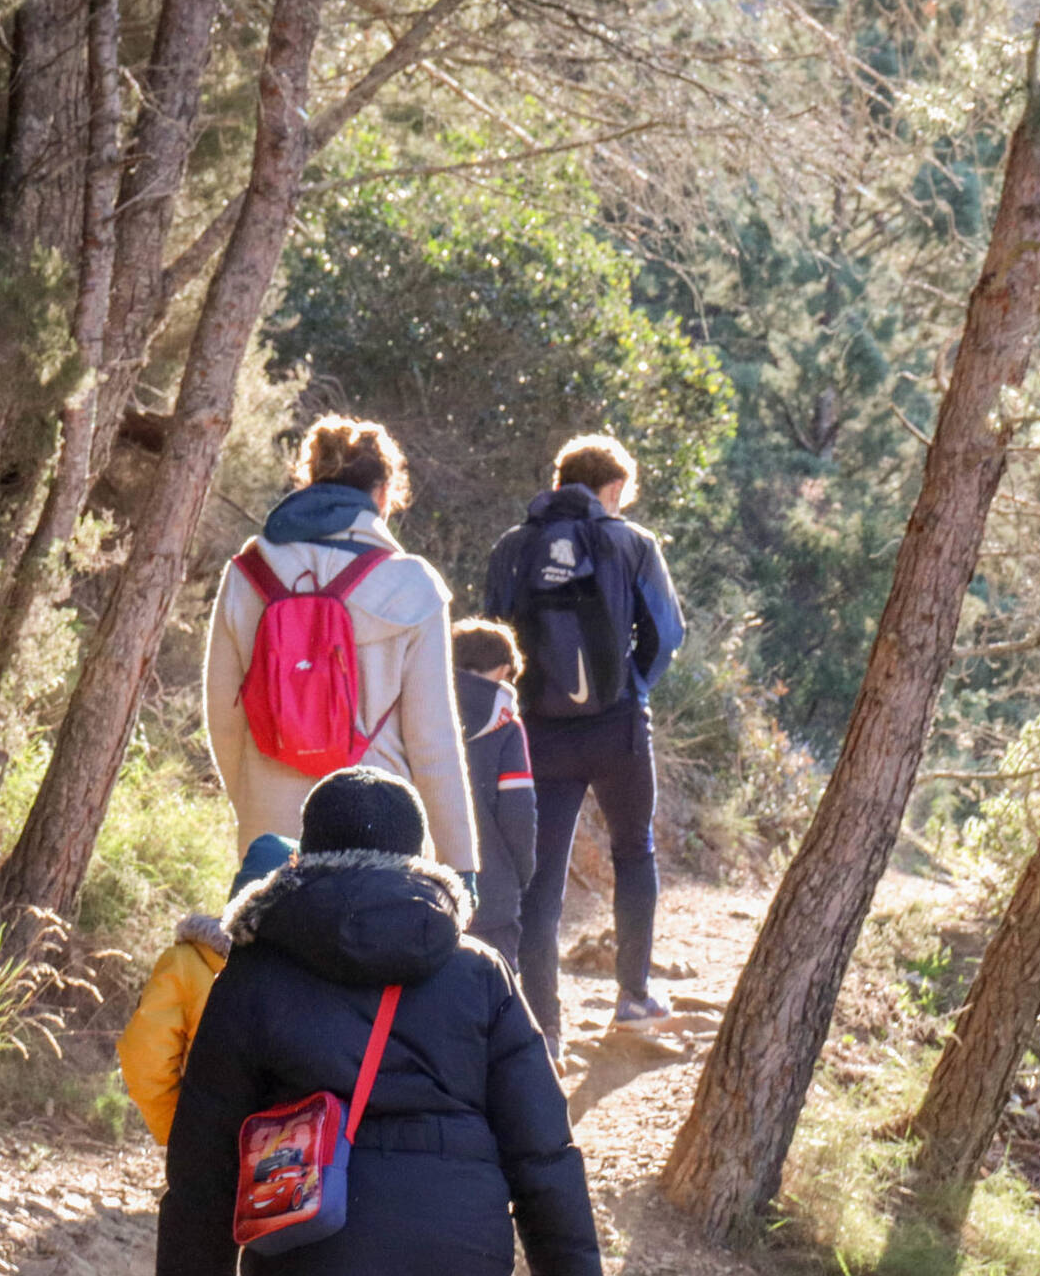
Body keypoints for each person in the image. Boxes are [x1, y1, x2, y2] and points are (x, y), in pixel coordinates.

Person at [156, 767, 605, 1276]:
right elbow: (544, 1147)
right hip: (456, 1255)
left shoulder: (254, 976)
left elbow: (200, 1171)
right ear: (418, 858)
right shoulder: (478, 973)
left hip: (320, 1255)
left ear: (306, 856)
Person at [114, 832, 304, 1276]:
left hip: (217, 1156)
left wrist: (180, 1133)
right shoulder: (308, 974)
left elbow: (144, 1056)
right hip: (291, 1159)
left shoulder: (193, 961)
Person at [205, 415, 478, 876]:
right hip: (381, 824)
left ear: (309, 480)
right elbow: (434, 743)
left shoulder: (248, 573)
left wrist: (252, 805)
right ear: (383, 492)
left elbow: (223, 718)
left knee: (273, 948)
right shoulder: (412, 585)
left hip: (270, 828)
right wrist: (460, 864)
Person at [482, 434, 685, 1054]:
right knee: (634, 853)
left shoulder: (514, 548)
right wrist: (630, 689)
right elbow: (667, 634)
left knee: (540, 881)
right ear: (614, 488)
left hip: (539, 735)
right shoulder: (632, 541)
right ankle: (633, 999)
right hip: (618, 729)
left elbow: (494, 644)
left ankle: (541, 1032)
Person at [449, 619, 536, 972]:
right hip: (493, 894)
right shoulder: (506, 726)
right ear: (503, 669)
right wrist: (522, 874)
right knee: (499, 1002)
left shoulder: (420, 710)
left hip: (428, 890)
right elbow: (519, 814)